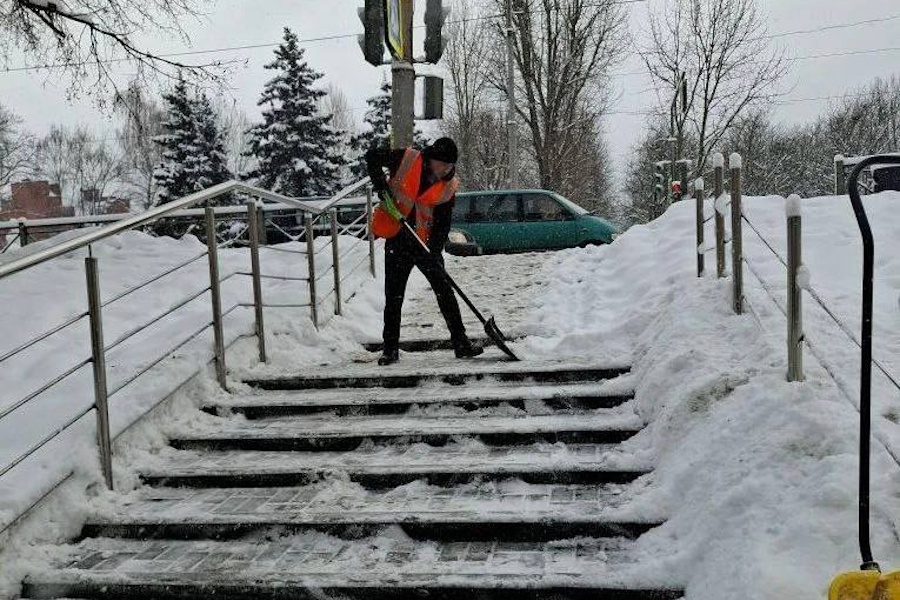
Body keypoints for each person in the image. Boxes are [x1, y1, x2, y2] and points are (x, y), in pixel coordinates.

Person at [367, 137, 484, 366]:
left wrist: (435, 249)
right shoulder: (407, 158)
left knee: (445, 292)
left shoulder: (449, 186)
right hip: (397, 239)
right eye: (441, 164)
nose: (444, 170)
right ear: (431, 159)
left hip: (425, 244)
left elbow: (443, 223)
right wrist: (380, 183)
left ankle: (461, 343)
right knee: (394, 296)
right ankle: (390, 349)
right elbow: (372, 156)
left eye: (449, 166)